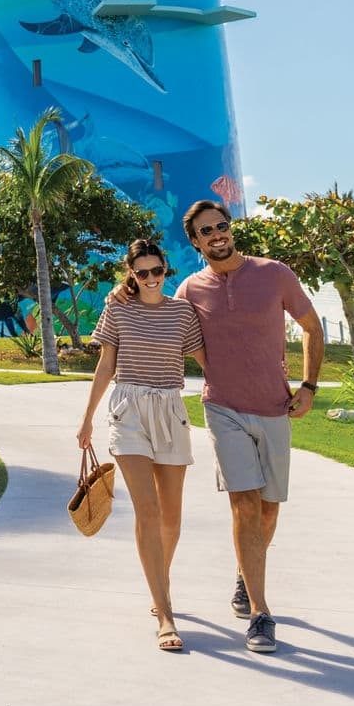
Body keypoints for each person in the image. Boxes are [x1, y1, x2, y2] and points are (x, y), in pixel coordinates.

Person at [174, 200, 323, 656]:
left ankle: (244, 573)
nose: (217, 234)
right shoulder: (190, 289)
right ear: (196, 242)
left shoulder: (274, 273)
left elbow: (312, 326)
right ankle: (260, 613)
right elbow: (166, 323)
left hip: (275, 407)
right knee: (243, 502)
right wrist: (125, 296)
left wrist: (310, 386)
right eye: (206, 231)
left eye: (222, 225)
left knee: (269, 509)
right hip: (223, 408)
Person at [76, 238, 207, 652]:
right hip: (128, 410)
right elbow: (106, 364)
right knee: (147, 511)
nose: (151, 279)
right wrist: (86, 420)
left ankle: (158, 582)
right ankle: (165, 614)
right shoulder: (118, 308)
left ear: (166, 270)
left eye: (157, 271)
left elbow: (210, 361)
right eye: (142, 272)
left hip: (170, 409)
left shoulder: (183, 312)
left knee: (171, 516)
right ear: (132, 274)